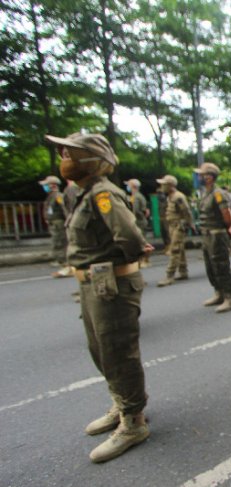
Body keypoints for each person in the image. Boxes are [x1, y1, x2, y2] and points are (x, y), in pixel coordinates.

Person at [44, 132, 153, 463]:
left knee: (118, 350)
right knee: (101, 349)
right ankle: (123, 403)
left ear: (92, 159)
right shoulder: (83, 192)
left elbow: (130, 235)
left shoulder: (103, 193)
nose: (64, 156)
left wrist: (127, 259)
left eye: (71, 152)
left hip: (112, 283)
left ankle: (133, 422)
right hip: (92, 282)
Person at [194, 162, 231, 312]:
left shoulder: (219, 193)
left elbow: (227, 216)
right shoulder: (206, 193)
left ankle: (229, 298)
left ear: (209, 178)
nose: (198, 177)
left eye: (201, 175)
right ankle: (218, 293)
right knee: (210, 267)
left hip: (217, 235)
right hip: (207, 235)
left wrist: (225, 229)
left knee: (221, 266)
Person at [156, 175, 194, 286]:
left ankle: (169, 276)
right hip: (172, 225)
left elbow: (186, 212)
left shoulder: (178, 197)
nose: (161, 187)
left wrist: (189, 224)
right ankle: (183, 271)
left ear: (170, 185)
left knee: (175, 249)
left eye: (164, 184)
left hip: (178, 226)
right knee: (179, 249)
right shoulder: (170, 196)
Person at [38, 175, 73, 277]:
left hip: (59, 224)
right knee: (58, 244)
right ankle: (65, 266)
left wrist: (68, 222)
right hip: (54, 224)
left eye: (46, 185)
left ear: (53, 185)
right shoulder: (51, 197)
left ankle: (67, 267)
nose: (45, 187)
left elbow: (65, 209)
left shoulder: (58, 196)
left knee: (60, 244)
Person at [125, 178, 150, 268]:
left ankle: (145, 260)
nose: (127, 187)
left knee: (141, 242)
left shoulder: (136, 197)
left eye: (129, 185)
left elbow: (135, 211)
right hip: (138, 221)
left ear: (134, 186)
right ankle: (142, 260)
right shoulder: (134, 196)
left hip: (139, 222)